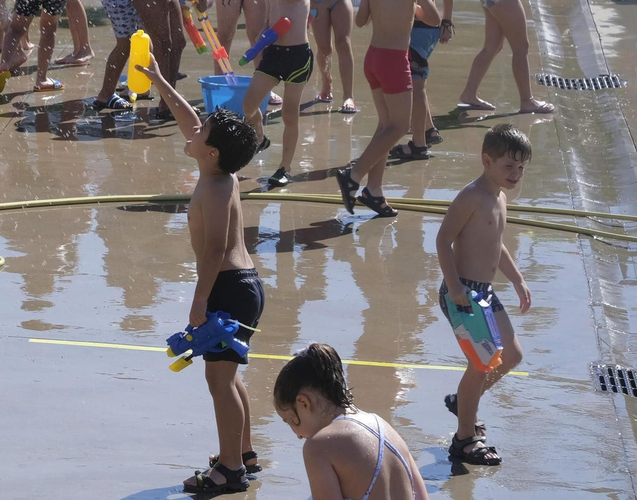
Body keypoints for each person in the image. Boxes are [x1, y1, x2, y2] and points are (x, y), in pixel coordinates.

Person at [138, 53, 263, 494]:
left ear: (210, 152)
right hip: (244, 287)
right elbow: (190, 119)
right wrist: (159, 80)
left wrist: (198, 300)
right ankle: (243, 452)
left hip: (228, 287)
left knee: (219, 379)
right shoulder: (218, 169)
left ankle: (230, 470)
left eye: (201, 133)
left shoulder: (213, 187)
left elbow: (213, 249)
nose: (191, 133)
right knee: (229, 375)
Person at [435, 124, 532, 467]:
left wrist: (517, 279)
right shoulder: (472, 196)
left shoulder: (500, 197)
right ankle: (464, 438)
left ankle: (464, 405)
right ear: (487, 161)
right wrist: (456, 287)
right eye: (508, 166)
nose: (515, 174)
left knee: (512, 355)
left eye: (521, 168)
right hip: (462, 292)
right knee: (481, 363)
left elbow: (497, 244)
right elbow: (442, 240)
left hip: (485, 292)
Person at [333, 0, 442, 218]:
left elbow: (360, 21)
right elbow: (434, 19)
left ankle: (375, 191)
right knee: (399, 126)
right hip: (394, 60)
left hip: (373, 58)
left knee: (385, 125)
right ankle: (353, 175)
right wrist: (412, 9)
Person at [273, 343, 428, 500]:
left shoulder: (319, 446)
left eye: (290, 421)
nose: (297, 435)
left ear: (304, 403)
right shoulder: (387, 429)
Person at [130, 0, 241, 123]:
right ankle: (168, 102)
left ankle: (169, 101)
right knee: (164, 42)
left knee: (179, 42)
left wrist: (206, 1)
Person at [241, 0, 313, 187]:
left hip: (297, 56)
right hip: (274, 53)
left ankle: (284, 168)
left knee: (289, 114)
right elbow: (274, 15)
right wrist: (262, 34)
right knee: (249, 104)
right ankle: (260, 137)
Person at [390, 0, 455, 160]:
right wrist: (447, 22)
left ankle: (418, 143)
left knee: (416, 86)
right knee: (420, 81)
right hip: (432, 28)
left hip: (414, 27)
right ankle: (428, 129)